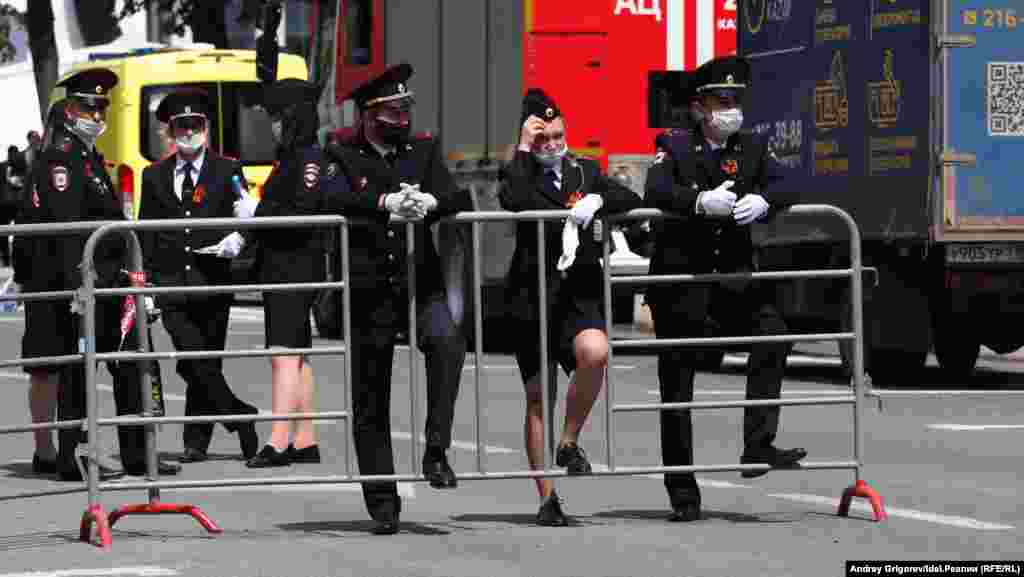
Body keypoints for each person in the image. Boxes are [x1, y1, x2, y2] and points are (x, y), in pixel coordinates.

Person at [643, 55, 806, 522]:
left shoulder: (753, 146)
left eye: (736, 99)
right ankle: (683, 494)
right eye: (722, 100)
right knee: (677, 389)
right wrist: (698, 201)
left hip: (732, 282)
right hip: (681, 284)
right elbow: (655, 190)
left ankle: (758, 445)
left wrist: (765, 200)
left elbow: (791, 182)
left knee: (773, 333)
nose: (732, 108)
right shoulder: (674, 145)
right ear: (700, 107)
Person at [325, 62, 472, 535]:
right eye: (393, 111)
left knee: (448, 343)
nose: (402, 118)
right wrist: (383, 204)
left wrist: (431, 202)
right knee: (371, 394)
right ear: (370, 115)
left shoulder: (422, 150)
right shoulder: (342, 152)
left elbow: (458, 197)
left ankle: (436, 449)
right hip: (369, 286)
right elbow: (327, 198)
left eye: (406, 109)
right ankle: (382, 500)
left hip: (419, 280)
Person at [15, 69, 180, 481]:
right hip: (82, 283)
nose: (98, 115)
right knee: (79, 370)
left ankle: (138, 454)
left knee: (128, 364)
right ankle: (73, 457)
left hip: (109, 281)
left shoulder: (87, 156)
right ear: (71, 110)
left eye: (103, 108)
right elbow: (68, 230)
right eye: (90, 108)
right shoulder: (62, 158)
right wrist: (81, 285)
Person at [500, 88, 642, 526]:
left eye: (557, 136)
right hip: (533, 295)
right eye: (542, 138)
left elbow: (633, 201)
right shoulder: (518, 171)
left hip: (579, 292)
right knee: (538, 398)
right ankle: (547, 497)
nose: (552, 144)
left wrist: (600, 200)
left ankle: (568, 441)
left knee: (595, 352)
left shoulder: (584, 171)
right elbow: (514, 199)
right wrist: (523, 148)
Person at [138, 88, 260, 463]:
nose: (188, 132)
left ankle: (196, 440)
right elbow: (146, 231)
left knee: (206, 360)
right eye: (181, 125)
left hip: (213, 280)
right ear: (171, 131)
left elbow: (248, 216)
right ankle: (239, 415)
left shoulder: (227, 170)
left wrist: (238, 239)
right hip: (171, 282)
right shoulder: (153, 175)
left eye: (195, 124)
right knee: (191, 357)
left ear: (206, 128)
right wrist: (144, 283)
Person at [244, 78, 336, 468]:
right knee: (296, 355)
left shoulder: (307, 158)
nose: (274, 126)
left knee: (283, 355)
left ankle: (278, 441)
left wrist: (257, 212)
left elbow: (301, 210)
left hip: (293, 264)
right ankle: (305, 438)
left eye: (278, 117)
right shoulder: (294, 155)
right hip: (285, 263)